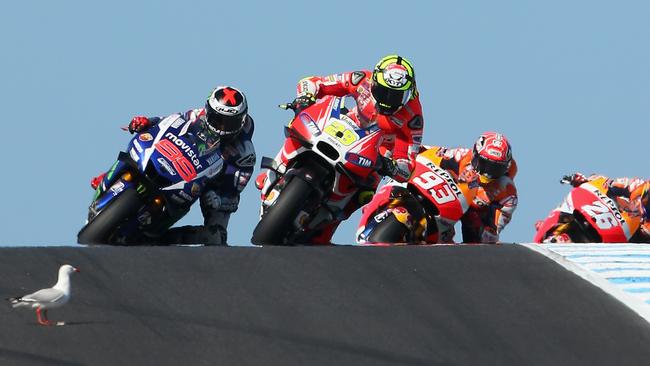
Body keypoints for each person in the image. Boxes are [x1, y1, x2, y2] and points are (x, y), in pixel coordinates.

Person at [255, 54, 425, 244]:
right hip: (344, 125)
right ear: (375, 81)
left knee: (365, 192)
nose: (387, 100)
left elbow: (408, 159)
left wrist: (393, 166)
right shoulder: (361, 79)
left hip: (376, 149)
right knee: (298, 127)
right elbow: (314, 82)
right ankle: (277, 169)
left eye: (395, 95)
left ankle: (325, 227)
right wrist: (305, 96)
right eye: (383, 91)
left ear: (408, 93)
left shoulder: (413, 116)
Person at [90, 86, 256, 245]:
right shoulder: (197, 115)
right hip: (179, 162)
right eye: (217, 119)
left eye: (228, 123)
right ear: (208, 110)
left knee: (216, 236)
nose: (221, 127)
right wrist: (147, 121)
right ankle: (108, 178)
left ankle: (163, 239)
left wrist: (218, 199)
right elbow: (167, 123)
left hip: (210, 186)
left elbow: (233, 193)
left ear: (241, 122)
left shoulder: (244, 153)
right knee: (137, 154)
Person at [421, 132, 518, 243]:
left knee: (481, 235)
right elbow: (429, 155)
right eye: (484, 164)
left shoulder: (508, 193)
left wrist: (488, 232)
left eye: (496, 168)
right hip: (441, 195)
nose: (488, 174)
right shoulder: (459, 155)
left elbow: (493, 233)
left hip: (470, 210)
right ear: (475, 155)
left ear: (506, 167)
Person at [562, 173, 650, 242]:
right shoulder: (636, 185)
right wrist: (584, 180)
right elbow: (607, 183)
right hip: (606, 213)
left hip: (626, 236)